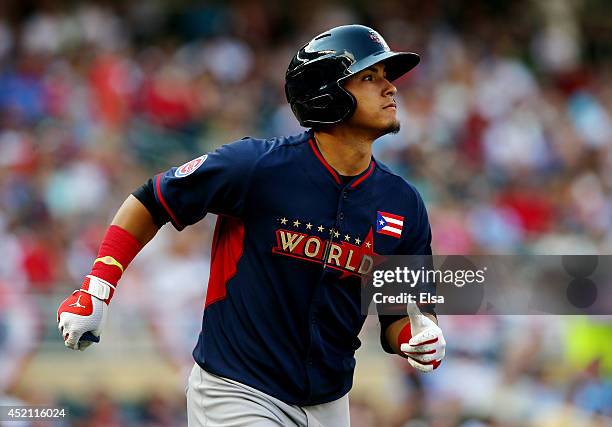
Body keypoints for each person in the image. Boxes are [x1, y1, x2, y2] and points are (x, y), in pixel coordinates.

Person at [57, 24, 446, 427]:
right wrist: (97, 288)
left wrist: (417, 340)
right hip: (238, 390)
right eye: (370, 77)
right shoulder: (256, 167)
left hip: (331, 402)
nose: (391, 88)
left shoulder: (405, 203)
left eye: (386, 77)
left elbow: (402, 315)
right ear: (326, 93)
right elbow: (151, 200)